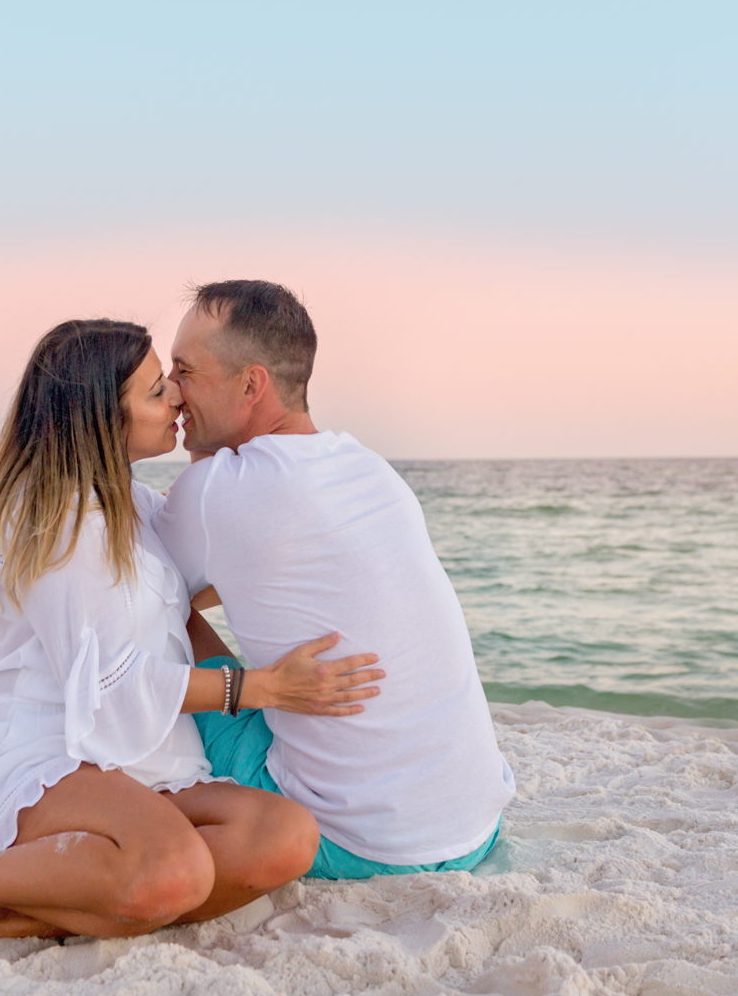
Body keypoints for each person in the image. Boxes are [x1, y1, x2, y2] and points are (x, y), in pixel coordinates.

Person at [0, 318, 384, 944]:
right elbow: (110, 685)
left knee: (285, 837)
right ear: (101, 418)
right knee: (174, 870)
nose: (176, 398)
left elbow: (210, 569)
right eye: (156, 390)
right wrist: (261, 688)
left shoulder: (131, 503)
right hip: (51, 749)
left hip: (145, 753)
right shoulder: (57, 518)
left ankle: (21, 914)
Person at [152, 280, 515, 880]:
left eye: (185, 370)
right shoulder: (368, 469)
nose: (170, 390)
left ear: (251, 384)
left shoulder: (218, 493)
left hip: (363, 848)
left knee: (157, 611)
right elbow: (248, 565)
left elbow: (156, 591)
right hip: (474, 826)